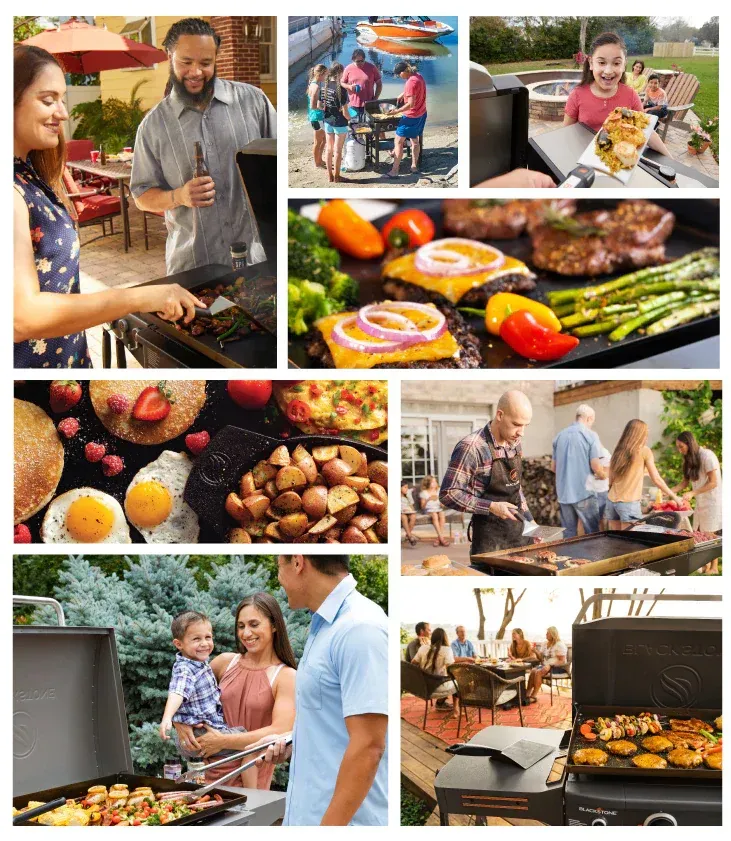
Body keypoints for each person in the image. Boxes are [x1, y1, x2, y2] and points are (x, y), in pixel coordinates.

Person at [13, 45, 201, 368]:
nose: (63, 112)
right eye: (48, 100)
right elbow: (21, 317)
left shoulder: (28, 170)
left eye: (61, 98)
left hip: (69, 370)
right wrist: (137, 297)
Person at [131, 18, 276, 276]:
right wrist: (179, 196)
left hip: (259, 257)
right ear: (169, 56)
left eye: (205, 63)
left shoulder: (254, 102)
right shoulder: (153, 126)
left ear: (216, 59)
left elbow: (283, 163)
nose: (196, 72)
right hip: (194, 265)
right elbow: (141, 196)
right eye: (186, 62)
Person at [252, 555, 387, 826]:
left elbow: (369, 746)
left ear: (298, 562)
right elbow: (335, 718)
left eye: (279, 566)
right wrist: (295, 742)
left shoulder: (359, 628)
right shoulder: (324, 625)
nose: (278, 579)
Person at [172, 593, 296, 790]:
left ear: (274, 626)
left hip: (252, 783)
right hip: (211, 777)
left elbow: (279, 730)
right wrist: (178, 722)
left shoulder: (286, 676)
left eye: (254, 624)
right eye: (241, 626)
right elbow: (183, 691)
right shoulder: (224, 663)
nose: (246, 633)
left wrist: (223, 741)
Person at [160, 610, 257, 789]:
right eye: (196, 639)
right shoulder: (185, 669)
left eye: (208, 637)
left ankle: (217, 788)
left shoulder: (199, 664)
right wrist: (168, 718)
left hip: (199, 734)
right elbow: (177, 692)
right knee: (251, 744)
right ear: (179, 644)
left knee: (227, 758)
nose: (204, 643)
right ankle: (253, 794)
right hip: (197, 735)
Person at [440, 390, 537, 558]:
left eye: (525, 426)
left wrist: (530, 521)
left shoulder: (515, 442)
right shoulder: (472, 448)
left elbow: (515, 486)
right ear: (500, 415)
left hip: (520, 535)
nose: (522, 432)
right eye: (516, 424)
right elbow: (448, 494)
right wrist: (491, 507)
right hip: (489, 541)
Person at [563, 32, 672, 158]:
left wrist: (671, 161)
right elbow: (567, 133)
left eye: (616, 63)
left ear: (624, 64)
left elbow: (646, 131)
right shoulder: (577, 95)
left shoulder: (631, 95)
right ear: (591, 63)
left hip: (620, 161)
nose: (608, 71)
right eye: (602, 63)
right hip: (584, 158)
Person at [606, 419, 681, 529]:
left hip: (611, 501)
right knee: (631, 543)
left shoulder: (619, 450)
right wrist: (675, 497)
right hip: (629, 503)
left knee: (615, 541)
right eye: (646, 432)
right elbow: (656, 479)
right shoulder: (644, 451)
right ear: (640, 434)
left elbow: (611, 476)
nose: (647, 436)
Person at [552, 404, 605, 538]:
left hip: (564, 494)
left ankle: (570, 559)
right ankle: (591, 559)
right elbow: (596, 466)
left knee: (569, 534)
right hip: (584, 494)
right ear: (589, 418)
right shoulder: (591, 435)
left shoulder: (559, 436)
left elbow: (554, 468)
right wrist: (604, 475)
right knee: (592, 534)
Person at [672, 431, 722, 574]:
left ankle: (713, 568)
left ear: (689, 443)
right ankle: (706, 566)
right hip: (701, 500)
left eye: (681, 446)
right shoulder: (689, 459)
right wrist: (669, 491)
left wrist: (693, 493)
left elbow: (713, 482)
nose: (679, 450)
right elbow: (684, 482)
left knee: (710, 533)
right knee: (702, 531)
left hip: (712, 500)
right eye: (678, 447)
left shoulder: (707, 456)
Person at [386, 61, 427, 178]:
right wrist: (402, 94)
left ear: (403, 72)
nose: (399, 77)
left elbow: (410, 104)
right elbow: (415, 90)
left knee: (398, 142)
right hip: (422, 113)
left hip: (410, 116)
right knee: (415, 140)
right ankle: (414, 166)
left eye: (399, 74)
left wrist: (396, 111)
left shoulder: (410, 83)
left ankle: (394, 171)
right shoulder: (418, 75)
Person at [412, 628, 459, 717]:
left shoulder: (423, 648)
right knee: (457, 682)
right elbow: (451, 670)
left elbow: (413, 663)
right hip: (438, 687)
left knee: (450, 681)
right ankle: (456, 710)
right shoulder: (447, 650)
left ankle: (440, 703)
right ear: (445, 638)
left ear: (432, 638)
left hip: (424, 686)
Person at [321, 63, 351, 184]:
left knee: (329, 149)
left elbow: (321, 106)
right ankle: (337, 177)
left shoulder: (325, 86)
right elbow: (345, 113)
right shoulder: (342, 90)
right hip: (340, 123)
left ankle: (329, 176)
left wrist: (332, 108)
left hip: (328, 121)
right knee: (338, 151)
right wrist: (351, 119)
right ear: (339, 73)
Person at [526, 627, 567, 704]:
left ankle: (533, 696)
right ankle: (527, 694)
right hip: (545, 666)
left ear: (552, 634)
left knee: (538, 672)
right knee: (533, 670)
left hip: (557, 667)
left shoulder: (559, 645)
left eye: (547, 633)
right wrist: (535, 651)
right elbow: (541, 658)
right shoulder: (545, 643)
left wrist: (550, 666)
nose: (546, 634)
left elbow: (562, 661)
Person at [341, 48, 382, 121]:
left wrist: (375, 98)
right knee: (355, 127)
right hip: (353, 104)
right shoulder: (348, 68)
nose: (360, 63)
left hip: (368, 103)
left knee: (369, 127)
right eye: (358, 61)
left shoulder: (371, 67)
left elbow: (379, 84)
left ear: (364, 59)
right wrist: (349, 87)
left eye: (362, 61)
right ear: (353, 60)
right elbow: (342, 83)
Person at [306, 64, 328, 169]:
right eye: (325, 75)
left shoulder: (312, 83)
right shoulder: (316, 86)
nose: (326, 77)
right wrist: (324, 108)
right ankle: (317, 163)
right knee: (318, 141)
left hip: (315, 116)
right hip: (317, 117)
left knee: (323, 140)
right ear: (320, 74)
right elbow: (313, 105)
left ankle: (320, 159)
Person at [420, 476, 450, 547]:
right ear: (428, 483)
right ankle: (442, 539)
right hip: (428, 510)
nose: (435, 483)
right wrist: (428, 499)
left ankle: (439, 538)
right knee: (434, 515)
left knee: (442, 514)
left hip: (438, 509)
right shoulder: (424, 493)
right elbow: (422, 507)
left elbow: (443, 506)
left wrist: (440, 501)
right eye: (433, 482)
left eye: (435, 482)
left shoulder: (439, 491)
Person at [587, 442, 611, 525]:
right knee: (583, 521)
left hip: (600, 491)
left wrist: (599, 472)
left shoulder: (604, 452)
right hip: (586, 491)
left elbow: (606, 474)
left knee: (599, 520)